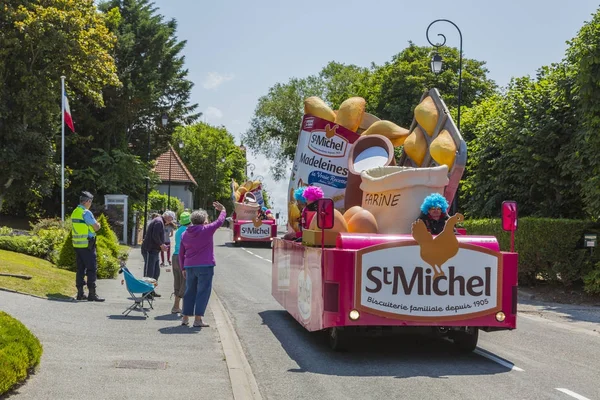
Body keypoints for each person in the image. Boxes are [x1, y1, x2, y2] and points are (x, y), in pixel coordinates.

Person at [178, 202, 226, 327]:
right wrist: (223, 210)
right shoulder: (207, 230)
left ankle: (185, 317)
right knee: (203, 292)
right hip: (205, 265)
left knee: (189, 291)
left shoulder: (184, 234)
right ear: (204, 220)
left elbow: (181, 253)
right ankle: (198, 319)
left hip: (189, 266)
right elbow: (220, 221)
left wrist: (183, 267)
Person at [71, 191, 104, 302]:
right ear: (87, 201)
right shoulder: (86, 212)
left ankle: (80, 293)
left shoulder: (75, 212)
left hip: (77, 245)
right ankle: (92, 294)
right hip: (87, 245)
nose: (90, 204)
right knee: (91, 269)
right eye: (90, 202)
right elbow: (95, 227)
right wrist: (98, 224)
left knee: (80, 269)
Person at [141, 210, 175, 297]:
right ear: (168, 217)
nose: (171, 221)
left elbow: (156, 236)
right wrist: (161, 245)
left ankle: (150, 290)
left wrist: (161, 245)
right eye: (171, 219)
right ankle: (146, 292)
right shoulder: (159, 222)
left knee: (156, 272)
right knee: (149, 272)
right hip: (150, 250)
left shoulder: (160, 221)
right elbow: (155, 235)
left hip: (154, 250)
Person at [171, 211, 190, 314]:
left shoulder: (178, 230)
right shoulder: (188, 231)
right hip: (183, 258)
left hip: (175, 256)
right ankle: (178, 306)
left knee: (177, 281)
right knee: (185, 282)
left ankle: (176, 306)